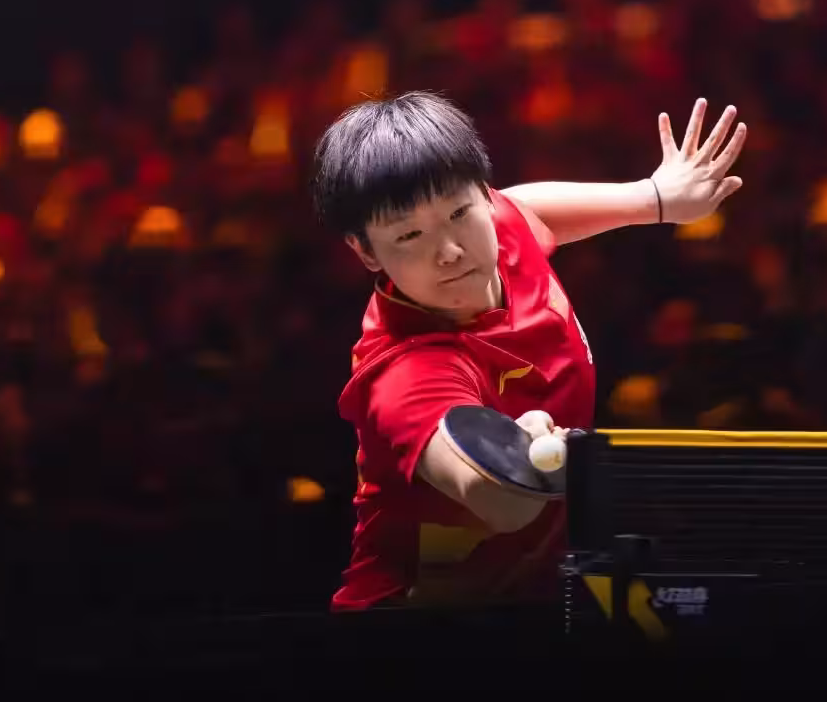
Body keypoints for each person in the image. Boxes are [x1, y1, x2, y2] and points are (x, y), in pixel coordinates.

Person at [312, 91, 746, 611]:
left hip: (537, 595)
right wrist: (524, 458)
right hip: (421, 629)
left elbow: (526, 210)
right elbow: (502, 505)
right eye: (409, 235)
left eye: (459, 212)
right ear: (364, 250)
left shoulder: (498, 228)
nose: (450, 250)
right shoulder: (408, 371)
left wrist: (655, 198)